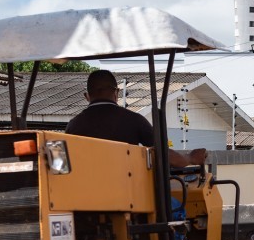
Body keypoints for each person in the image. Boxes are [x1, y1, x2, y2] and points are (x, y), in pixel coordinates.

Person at [65, 69, 206, 169]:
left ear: (87, 96)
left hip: (84, 201)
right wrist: (190, 158)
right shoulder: (133, 121)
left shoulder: (73, 126)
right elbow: (164, 155)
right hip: (126, 198)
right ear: (116, 92)